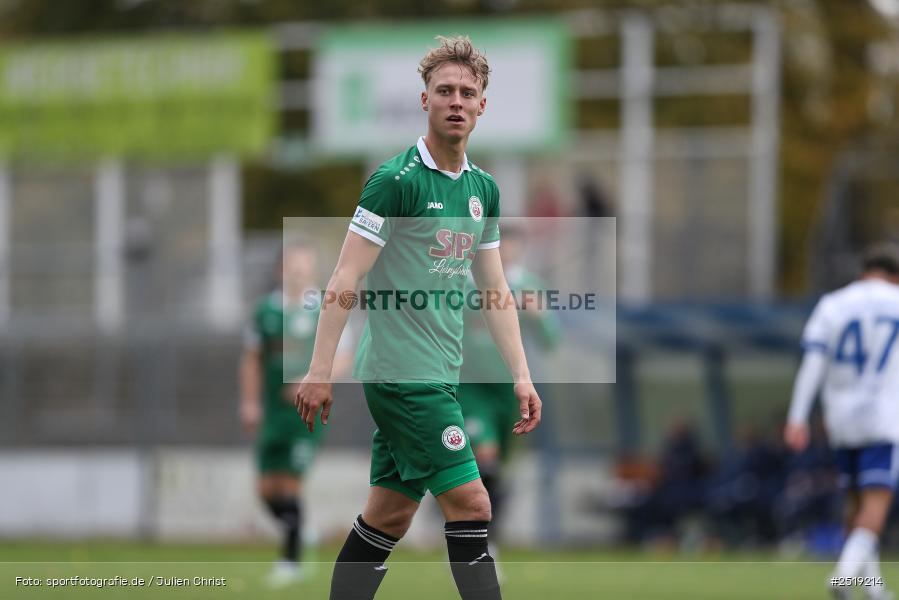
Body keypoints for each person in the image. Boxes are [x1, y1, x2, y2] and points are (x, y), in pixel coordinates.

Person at [295, 35, 542, 600]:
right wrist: (320, 368)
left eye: (467, 93)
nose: (456, 101)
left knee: (388, 515)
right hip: (402, 375)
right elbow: (345, 277)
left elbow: (495, 289)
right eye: (444, 90)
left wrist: (521, 374)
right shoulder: (396, 182)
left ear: (482, 106)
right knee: (473, 503)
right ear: (424, 100)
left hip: (440, 373)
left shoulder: (483, 190)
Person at [784, 243, 899, 600]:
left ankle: (872, 588)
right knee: (876, 502)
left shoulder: (833, 304)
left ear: (863, 272)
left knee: (855, 502)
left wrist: (797, 417)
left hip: (842, 418)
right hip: (883, 416)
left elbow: (813, 363)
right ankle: (843, 577)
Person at [240, 242, 351, 587]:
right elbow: (252, 359)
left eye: (305, 266)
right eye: (293, 266)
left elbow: (344, 357)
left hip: (306, 414)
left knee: (290, 486)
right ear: (280, 270)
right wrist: (249, 403)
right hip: (273, 412)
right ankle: (301, 529)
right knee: (266, 490)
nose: (299, 273)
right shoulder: (265, 312)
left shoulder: (324, 307)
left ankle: (290, 563)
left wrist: (313, 381)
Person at [459, 225, 562, 551]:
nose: (506, 253)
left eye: (513, 247)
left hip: (510, 391)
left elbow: (551, 339)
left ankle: (490, 534)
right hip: (471, 387)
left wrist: (539, 315)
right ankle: (473, 536)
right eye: (501, 245)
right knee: (484, 460)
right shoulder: (464, 280)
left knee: (499, 470)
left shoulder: (527, 285)